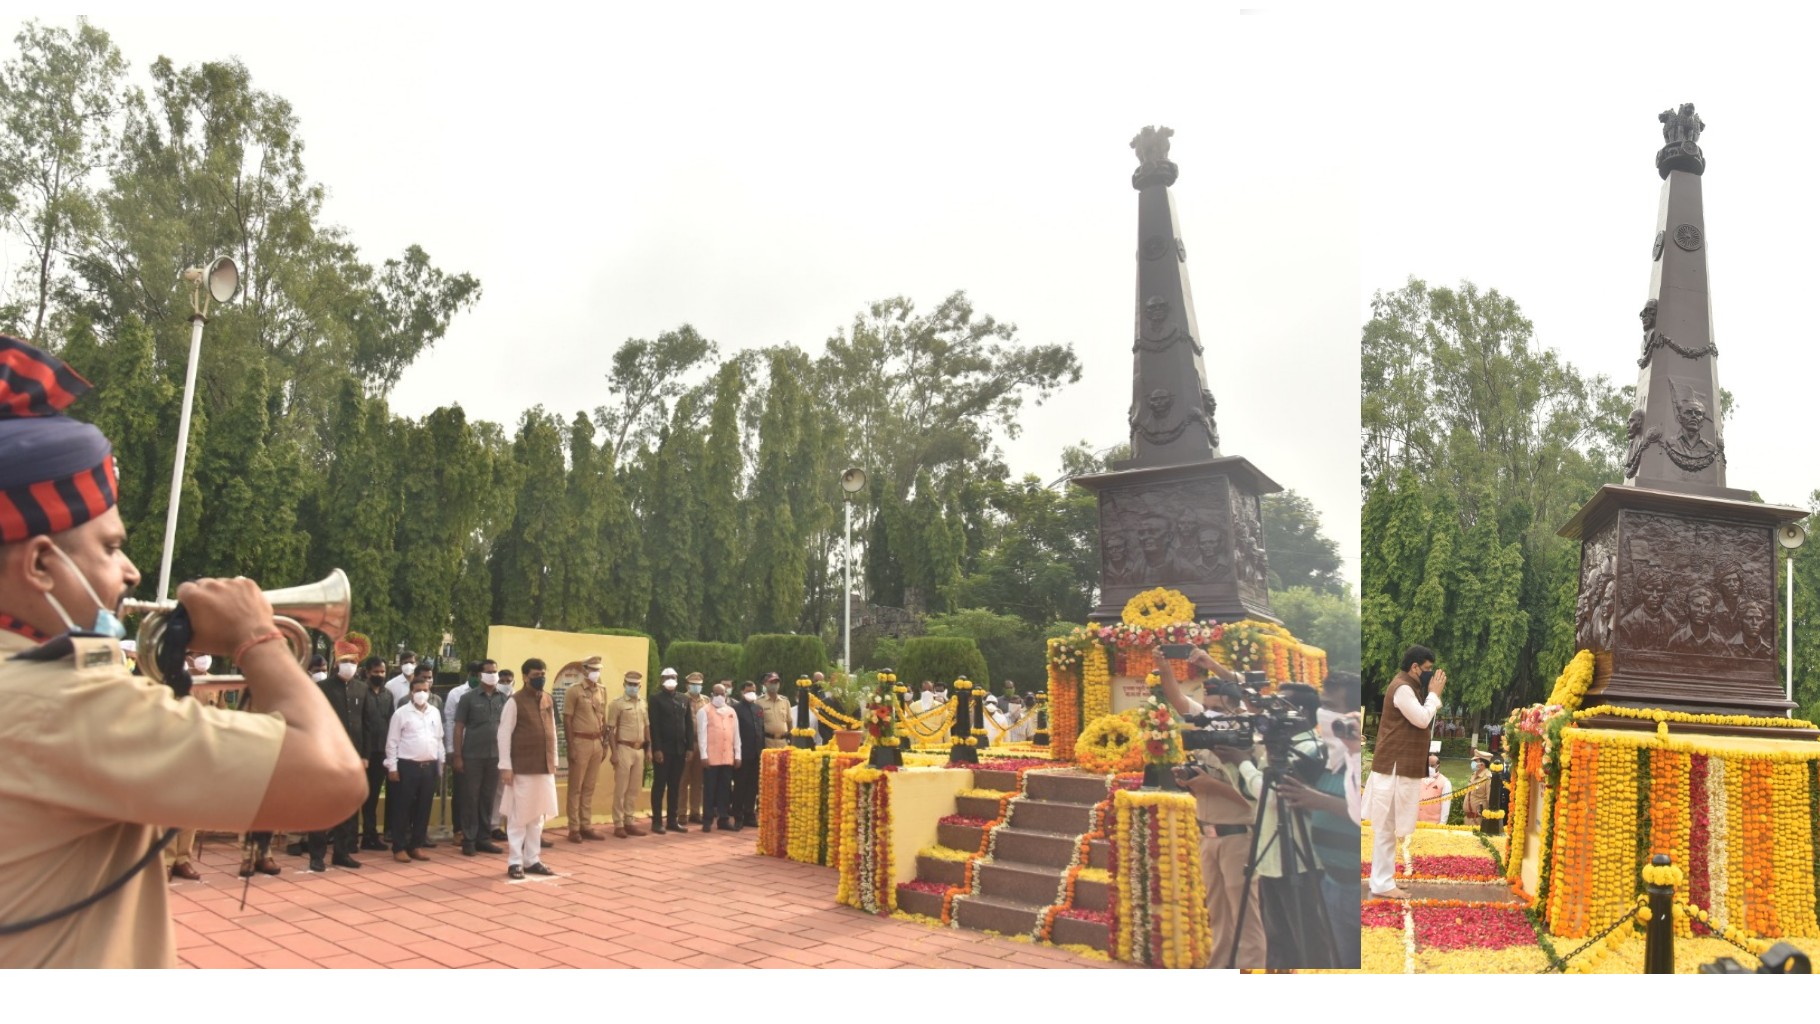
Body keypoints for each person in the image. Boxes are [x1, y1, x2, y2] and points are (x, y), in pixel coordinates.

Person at [0, 335, 364, 967]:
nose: (132, 573)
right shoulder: (57, 701)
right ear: (39, 563)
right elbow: (331, 781)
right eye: (111, 548)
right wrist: (257, 637)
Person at [1157, 647, 1267, 969]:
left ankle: (1252, 972)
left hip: (1238, 837)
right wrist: (1163, 666)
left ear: (1236, 708)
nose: (1208, 713)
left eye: (1216, 707)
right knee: (1218, 915)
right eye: (1206, 707)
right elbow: (1177, 699)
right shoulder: (1207, 728)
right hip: (1208, 834)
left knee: (1246, 916)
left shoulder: (1251, 737)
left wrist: (1210, 785)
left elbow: (1254, 798)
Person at [1278, 672, 1364, 971]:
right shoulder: (1324, 756)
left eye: (1331, 705)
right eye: (1322, 705)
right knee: (1337, 964)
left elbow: (1365, 814)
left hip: (1358, 887)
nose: (1323, 713)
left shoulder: (1362, 759)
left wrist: (1316, 800)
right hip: (1331, 882)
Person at [1366, 645, 1445, 900]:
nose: (1430, 675)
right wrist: (1434, 695)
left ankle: (1383, 881)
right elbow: (1422, 719)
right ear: (1414, 667)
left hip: (1397, 770)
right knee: (1387, 828)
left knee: (1388, 828)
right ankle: (1381, 883)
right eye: (1427, 669)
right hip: (1394, 770)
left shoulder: (1409, 687)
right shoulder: (1402, 688)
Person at [306, 652, 368, 871]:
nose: (348, 665)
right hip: (327, 755)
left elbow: (366, 724)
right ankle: (316, 856)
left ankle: (341, 853)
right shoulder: (323, 689)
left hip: (352, 757)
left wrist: (365, 755)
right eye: (344, 661)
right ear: (336, 663)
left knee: (347, 808)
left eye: (352, 662)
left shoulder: (362, 688)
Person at [497, 658, 559, 878]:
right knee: (518, 817)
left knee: (538, 816)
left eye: (542, 674)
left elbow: (552, 731)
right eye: (535, 675)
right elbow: (504, 734)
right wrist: (505, 766)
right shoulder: (514, 701)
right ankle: (515, 862)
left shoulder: (548, 699)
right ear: (524, 677)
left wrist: (555, 761)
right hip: (521, 767)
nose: (540, 678)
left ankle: (532, 859)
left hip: (544, 766)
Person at [385, 671, 443, 863]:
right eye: (417, 690)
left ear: (429, 690)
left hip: (429, 766)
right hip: (407, 766)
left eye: (425, 690)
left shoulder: (434, 712)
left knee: (423, 808)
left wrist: (440, 765)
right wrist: (392, 767)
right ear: (411, 692)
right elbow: (392, 742)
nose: (421, 694)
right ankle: (399, 847)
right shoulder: (401, 714)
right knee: (403, 808)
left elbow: (439, 739)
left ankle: (416, 845)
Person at [453, 661, 508, 856]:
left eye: (495, 671)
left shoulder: (504, 698)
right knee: (470, 798)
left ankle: (484, 838)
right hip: (472, 756)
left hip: (495, 756)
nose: (492, 675)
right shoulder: (468, 698)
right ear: (480, 674)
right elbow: (459, 727)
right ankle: (469, 839)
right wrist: (458, 756)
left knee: (488, 798)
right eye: (488, 672)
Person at [562, 655, 609, 842]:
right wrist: (571, 746)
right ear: (584, 670)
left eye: (598, 670)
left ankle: (586, 824)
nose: (595, 673)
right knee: (576, 787)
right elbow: (567, 719)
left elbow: (603, 718)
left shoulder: (602, 691)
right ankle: (574, 827)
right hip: (580, 741)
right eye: (592, 669)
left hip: (596, 741)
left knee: (589, 786)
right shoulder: (574, 691)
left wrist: (604, 743)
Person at [648, 666, 695, 834]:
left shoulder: (684, 698)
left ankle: (672, 820)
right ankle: (657, 821)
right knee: (659, 785)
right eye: (667, 677)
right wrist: (657, 749)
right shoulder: (655, 699)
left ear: (677, 679)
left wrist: (690, 747)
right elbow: (654, 726)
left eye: (673, 677)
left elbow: (689, 724)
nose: (670, 679)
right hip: (664, 750)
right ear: (661, 680)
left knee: (675, 785)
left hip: (679, 749)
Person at [355, 656, 394, 850]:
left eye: (382, 672)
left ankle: (370, 836)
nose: (379, 675)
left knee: (373, 796)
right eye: (376, 672)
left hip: (381, 752)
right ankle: (349, 838)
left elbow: (391, 723)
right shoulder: (360, 692)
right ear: (367, 672)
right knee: (356, 795)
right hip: (362, 753)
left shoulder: (388, 695)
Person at [606, 671, 649, 838]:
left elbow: (647, 727)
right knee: (621, 788)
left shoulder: (643, 703)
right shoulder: (617, 704)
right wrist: (614, 752)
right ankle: (618, 823)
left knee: (634, 788)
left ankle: (629, 820)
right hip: (623, 747)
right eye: (629, 684)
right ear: (624, 685)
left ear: (640, 686)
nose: (632, 687)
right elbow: (610, 730)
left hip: (639, 749)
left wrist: (649, 749)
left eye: (635, 685)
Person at [696, 682, 742, 831]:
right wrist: (703, 755)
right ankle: (707, 820)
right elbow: (702, 735)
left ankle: (723, 819)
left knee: (725, 789)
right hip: (711, 757)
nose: (719, 697)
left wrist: (738, 754)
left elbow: (736, 735)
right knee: (709, 789)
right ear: (711, 695)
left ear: (726, 695)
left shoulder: (731, 712)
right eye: (716, 694)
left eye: (722, 694)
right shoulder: (704, 711)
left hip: (727, 757)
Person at [730, 679, 763, 829]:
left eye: (753, 690)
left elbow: (760, 729)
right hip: (742, 753)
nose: (751, 693)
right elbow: (733, 733)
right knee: (740, 786)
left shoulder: (758, 708)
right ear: (742, 692)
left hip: (756, 753)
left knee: (753, 786)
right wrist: (736, 754)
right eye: (749, 690)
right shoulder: (736, 709)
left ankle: (749, 814)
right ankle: (738, 816)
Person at [680, 672, 707, 825]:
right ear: (687, 685)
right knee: (683, 780)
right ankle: (681, 813)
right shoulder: (681, 699)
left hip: (701, 743)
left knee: (698, 780)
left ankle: (695, 812)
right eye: (693, 683)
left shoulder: (706, 701)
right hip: (685, 744)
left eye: (698, 684)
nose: (696, 686)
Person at [758, 672, 792, 749]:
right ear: (765, 684)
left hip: (783, 743)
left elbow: (789, 722)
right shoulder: (759, 702)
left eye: (776, 682)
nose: (774, 685)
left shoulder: (785, 701)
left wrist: (792, 741)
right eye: (771, 682)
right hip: (767, 743)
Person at [1417, 753, 1453, 825]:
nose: (1429, 767)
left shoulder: (1445, 782)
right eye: (1427, 765)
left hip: (1434, 823)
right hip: (1417, 822)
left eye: (1432, 765)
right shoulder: (1419, 779)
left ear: (1438, 766)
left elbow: (1446, 805)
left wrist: (1442, 823)